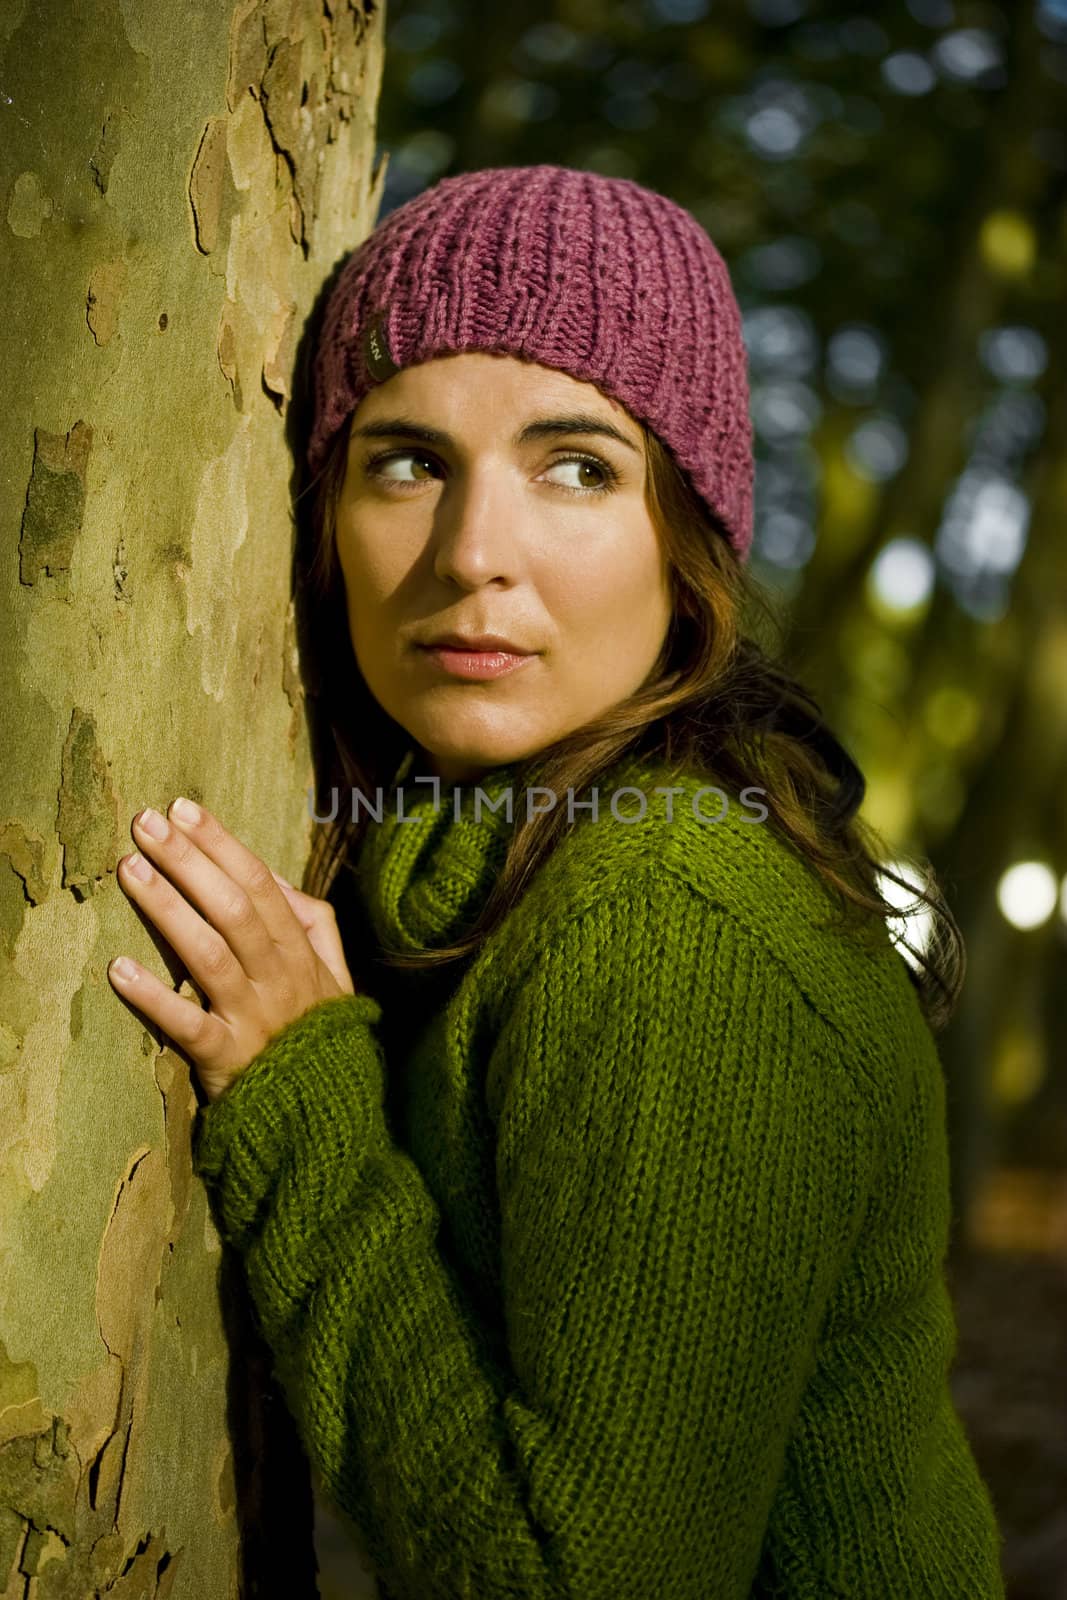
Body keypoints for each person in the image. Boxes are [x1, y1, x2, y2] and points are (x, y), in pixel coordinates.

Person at [108, 164, 1007, 1597]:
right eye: (405, 462)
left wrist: (304, 1105)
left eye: (577, 466)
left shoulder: (672, 918)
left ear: (684, 536)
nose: (473, 556)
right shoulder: (493, 858)